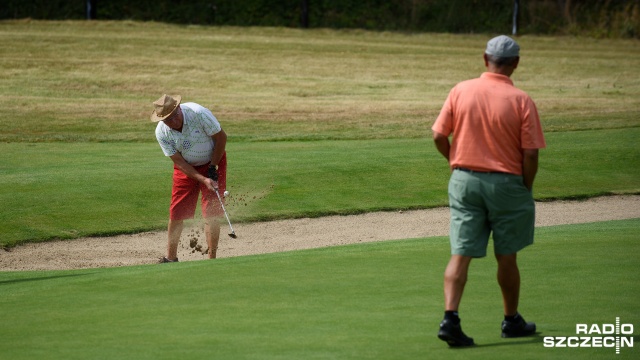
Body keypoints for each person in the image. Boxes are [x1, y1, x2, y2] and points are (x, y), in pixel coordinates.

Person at [431, 35, 546, 347]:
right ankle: (511, 321)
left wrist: (455, 161)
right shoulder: (521, 100)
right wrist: (526, 186)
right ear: (516, 64)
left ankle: (450, 318)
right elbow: (531, 154)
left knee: (461, 253)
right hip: (507, 183)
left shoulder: (461, 90)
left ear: (485, 59)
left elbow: (439, 135)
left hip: (464, 181)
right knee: (506, 256)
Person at [150, 94, 228, 263]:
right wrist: (202, 179)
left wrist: (213, 166)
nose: (172, 122)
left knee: (211, 212)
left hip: (213, 160)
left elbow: (222, 138)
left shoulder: (199, 113)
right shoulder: (162, 132)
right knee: (177, 211)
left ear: (179, 108)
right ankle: (171, 258)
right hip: (186, 167)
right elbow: (179, 162)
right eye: (167, 120)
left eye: (174, 117)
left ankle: (211, 259)